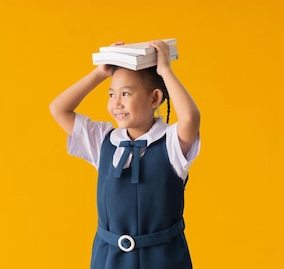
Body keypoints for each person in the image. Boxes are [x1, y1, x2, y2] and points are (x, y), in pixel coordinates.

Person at [49, 40, 201, 269]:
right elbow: (59, 109)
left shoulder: (171, 143)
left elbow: (190, 118)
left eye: (126, 93)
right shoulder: (103, 139)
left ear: (154, 99)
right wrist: (100, 73)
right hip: (109, 259)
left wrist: (165, 70)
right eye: (111, 95)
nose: (116, 104)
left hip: (163, 260)